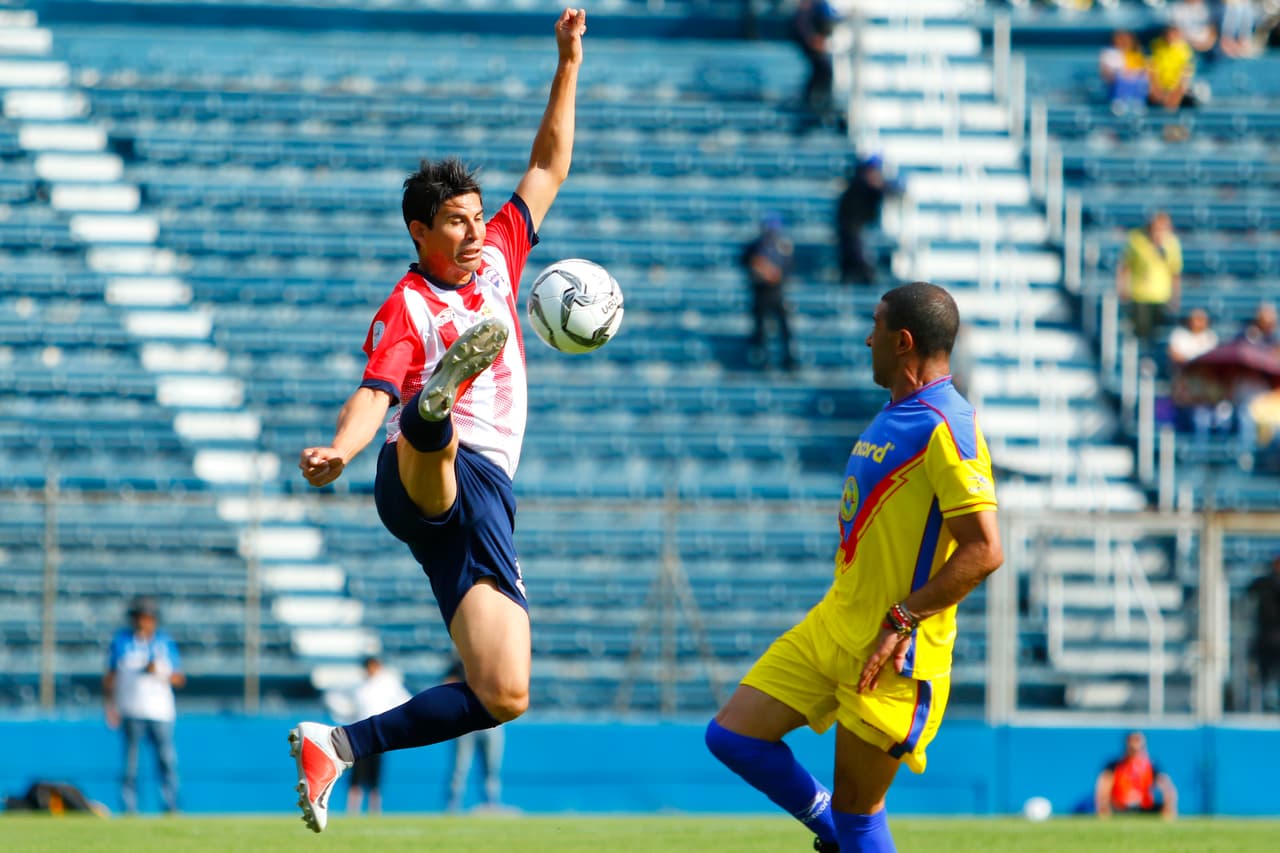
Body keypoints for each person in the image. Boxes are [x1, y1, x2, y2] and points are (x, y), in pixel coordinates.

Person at [287, 9, 586, 834]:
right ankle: (436, 412)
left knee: (504, 691)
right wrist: (341, 450)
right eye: (456, 220)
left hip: (485, 499)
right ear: (420, 231)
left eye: (477, 216)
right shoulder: (409, 303)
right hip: (418, 471)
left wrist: (568, 61)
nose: (474, 230)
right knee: (431, 433)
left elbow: (548, 164)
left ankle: (336, 745)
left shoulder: (500, 258)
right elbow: (371, 391)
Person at [706, 282, 1003, 852]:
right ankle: (835, 835)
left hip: (892, 654)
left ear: (903, 341)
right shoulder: (898, 411)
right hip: (834, 625)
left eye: (876, 326)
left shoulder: (947, 426)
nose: (868, 339)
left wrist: (903, 617)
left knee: (859, 813)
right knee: (733, 737)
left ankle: (845, 834)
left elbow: (985, 549)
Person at [103, 596, 184, 814]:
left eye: (147, 618)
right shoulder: (122, 641)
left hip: (160, 712)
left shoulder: (164, 643)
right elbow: (110, 676)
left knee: (166, 761)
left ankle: (171, 805)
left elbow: (179, 678)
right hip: (131, 710)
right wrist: (110, 706)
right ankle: (129, 807)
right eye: (140, 617)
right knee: (130, 764)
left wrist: (160, 672)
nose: (143, 622)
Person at [336, 657, 412, 815]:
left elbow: (405, 702)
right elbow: (346, 706)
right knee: (356, 775)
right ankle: (353, 811)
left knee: (375, 776)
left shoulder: (389, 683)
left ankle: (374, 810)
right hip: (360, 735)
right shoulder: (358, 686)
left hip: (379, 734)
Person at [442, 656, 505, 812]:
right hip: (467, 721)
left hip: (491, 720)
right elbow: (447, 686)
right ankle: (453, 805)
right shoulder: (459, 665)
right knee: (460, 767)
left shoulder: (494, 663)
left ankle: (491, 804)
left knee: (491, 767)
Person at [1116, 211, 1182, 348]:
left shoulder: (1172, 243)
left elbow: (1175, 271)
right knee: (1141, 333)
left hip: (1162, 296)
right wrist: (1123, 288)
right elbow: (1125, 266)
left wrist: (1175, 296)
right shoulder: (1136, 240)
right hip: (1140, 295)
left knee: (1159, 335)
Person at [743, 212, 797, 372]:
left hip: (776, 293)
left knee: (785, 329)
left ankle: (788, 358)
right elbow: (749, 263)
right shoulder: (754, 247)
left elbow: (782, 272)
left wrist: (769, 272)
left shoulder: (783, 248)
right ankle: (761, 358)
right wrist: (761, 269)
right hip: (760, 294)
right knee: (760, 329)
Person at [836, 156, 898, 286]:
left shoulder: (869, 188)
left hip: (861, 230)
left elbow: (890, 191)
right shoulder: (856, 188)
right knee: (856, 259)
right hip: (853, 231)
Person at [1094, 731, 1178, 820]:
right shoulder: (1114, 765)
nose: (1135, 746)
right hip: (1120, 808)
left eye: (1138, 741)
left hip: (1145, 808)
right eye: (1132, 742)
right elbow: (1103, 786)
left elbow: (1167, 787)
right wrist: (1103, 808)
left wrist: (1169, 806)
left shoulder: (1152, 765)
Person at [793, 0, 842, 129]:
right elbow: (801, 23)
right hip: (811, 45)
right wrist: (812, 39)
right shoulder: (805, 13)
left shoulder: (820, 7)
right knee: (822, 73)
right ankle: (814, 111)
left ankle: (821, 111)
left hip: (817, 44)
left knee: (824, 73)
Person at [1246, 555, 1280, 711]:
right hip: (1266, 635)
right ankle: (1263, 704)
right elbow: (1249, 591)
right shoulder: (1264, 583)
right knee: (1263, 672)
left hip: (1270, 635)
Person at [1148, 25, 1198, 112]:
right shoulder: (1155, 46)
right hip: (1159, 89)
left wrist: (1174, 95)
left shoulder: (1185, 50)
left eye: (1174, 34)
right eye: (1169, 34)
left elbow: (1184, 78)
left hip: (1176, 90)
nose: (1171, 37)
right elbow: (1151, 71)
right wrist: (1157, 91)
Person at [1098, 30, 1150, 113]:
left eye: (1126, 38)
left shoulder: (1138, 53)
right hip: (1115, 90)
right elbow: (1106, 74)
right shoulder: (1108, 54)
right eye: (1120, 38)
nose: (1123, 41)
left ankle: (1137, 104)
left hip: (1136, 91)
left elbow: (1145, 71)